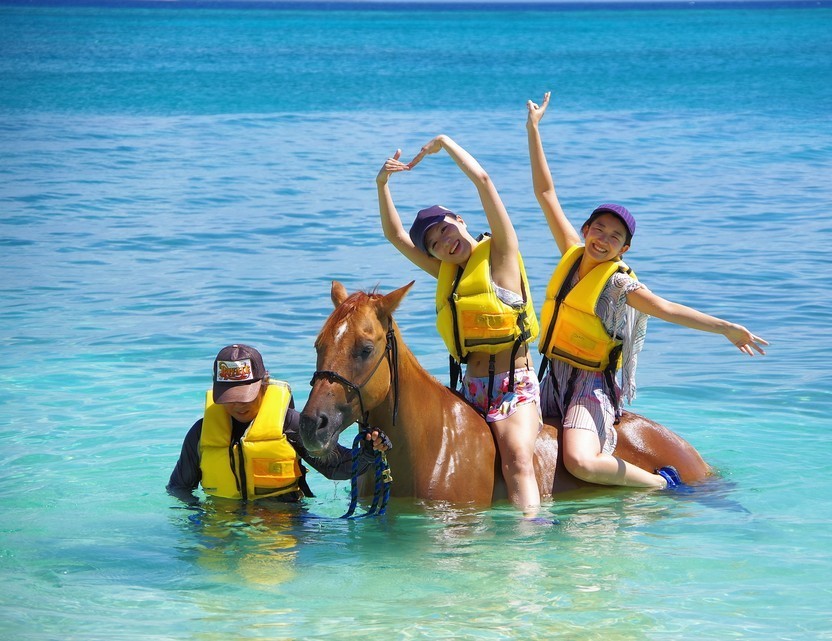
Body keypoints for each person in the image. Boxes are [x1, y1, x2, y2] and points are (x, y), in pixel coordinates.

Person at [526, 92, 768, 490]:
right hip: (550, 376)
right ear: (586, 230)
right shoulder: (571, 254)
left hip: (590, 384)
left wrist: (726, 327)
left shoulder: (620, 285)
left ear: (624, 249)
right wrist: (533, 129)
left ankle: (661, 486)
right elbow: (546, 194)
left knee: (581, 461)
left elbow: (665, 308)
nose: (602, 239)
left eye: (614, 237)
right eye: (598, 229)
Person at [376, 135, 543, 515]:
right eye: (433, 243)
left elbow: (483, 180)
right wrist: (382, 185)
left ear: (460, 221)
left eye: (444, 229)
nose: (443, 242)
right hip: (470, 390)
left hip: (512, 387)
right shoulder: (447, 274)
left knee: (516, 458)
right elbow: (395, 236)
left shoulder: (501, 253)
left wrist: (446, 145)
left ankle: (530, 539)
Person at [167, 343, 390, 504]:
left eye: (246, 395)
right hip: (225, 524)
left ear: (264, 384)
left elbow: (335, 467)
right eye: (230, 397)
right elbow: (179, 488)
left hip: (285, 523)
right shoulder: (200, 433)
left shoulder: (289, 424)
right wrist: (197, 517)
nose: (238, 405)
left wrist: (368, 453)